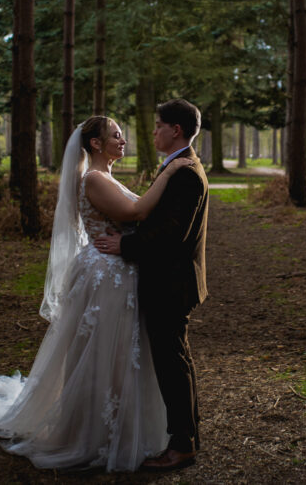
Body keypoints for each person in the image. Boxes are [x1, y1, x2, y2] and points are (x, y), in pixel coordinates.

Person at [0, 115, 191, 472]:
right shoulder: (94, 179)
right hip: (106, 276)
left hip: (117, 271)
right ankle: (92, 431)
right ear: (95, 144)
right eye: (115, 135)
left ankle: (121, 427)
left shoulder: (106, 177)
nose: (123, 141)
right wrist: (170, 173)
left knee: (121, 355)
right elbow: (136, 210)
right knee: (102, 354)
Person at [93, 98, 208, 471]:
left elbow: (171, 234)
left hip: (171, 283)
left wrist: (125, 244)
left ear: (176, 130)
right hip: (168, 280)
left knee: (172, 363)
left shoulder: (186, 172)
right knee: (176, 360)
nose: (153, 130)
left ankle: (183, 445)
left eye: (159, 125)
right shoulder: (178, 167)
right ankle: (186, 437)